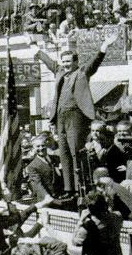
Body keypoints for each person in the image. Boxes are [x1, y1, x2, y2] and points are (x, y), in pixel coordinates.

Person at [26, 30, 120, 196]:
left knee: (75, 151)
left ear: (76, 62)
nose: (66, 64)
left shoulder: (82, 73)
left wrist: (104, 46)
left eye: (69, 61)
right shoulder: (59, 71)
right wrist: (33, 46)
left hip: (75, 116)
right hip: (60, 117)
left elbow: (94, 63)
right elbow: (47, 60)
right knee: (64, 152)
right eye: (64, 61)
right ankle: (69, 188)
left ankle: (79, 187)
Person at [72, 190, 127, 255]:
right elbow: (113, 214)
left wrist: (80, 221)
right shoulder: (116, 217)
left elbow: (75, 242)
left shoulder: (87, 227)